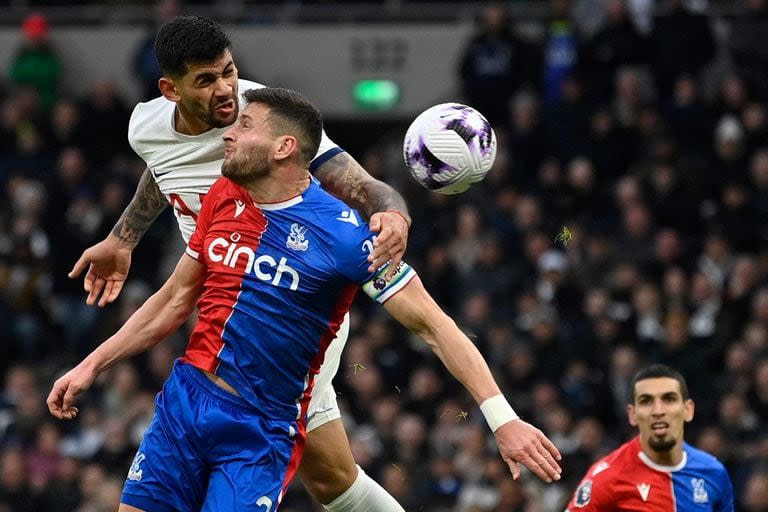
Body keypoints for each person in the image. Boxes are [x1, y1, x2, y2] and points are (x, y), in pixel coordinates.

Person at [48, 86, 563, 511]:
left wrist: (503, 419)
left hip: (260, 429)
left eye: (245, 126)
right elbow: (174, 297)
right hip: (185, 402)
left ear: (284, 148)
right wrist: (92, 366)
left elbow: (434, 325)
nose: (228, 132)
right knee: (332, 478)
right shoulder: (224, 197)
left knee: (332, 478)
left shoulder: (344, 237)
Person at [68, 16, 411, 512]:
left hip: (286, 310)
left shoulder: (261, 116)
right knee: (331, 476)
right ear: (171, 90)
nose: (226, 89)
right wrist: (124, 237)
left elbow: (356, 181)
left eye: (228, 71)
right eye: (206, 81)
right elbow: (166, 166)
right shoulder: (144, 126)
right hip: (217, 303)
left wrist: (392, 210)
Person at [566, 364, 734, 511]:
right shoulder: (608, 476)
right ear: (632, 415)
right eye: (646, 401)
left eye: (669, 399)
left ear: (688, 410)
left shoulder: (713, 472)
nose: (658, 411)